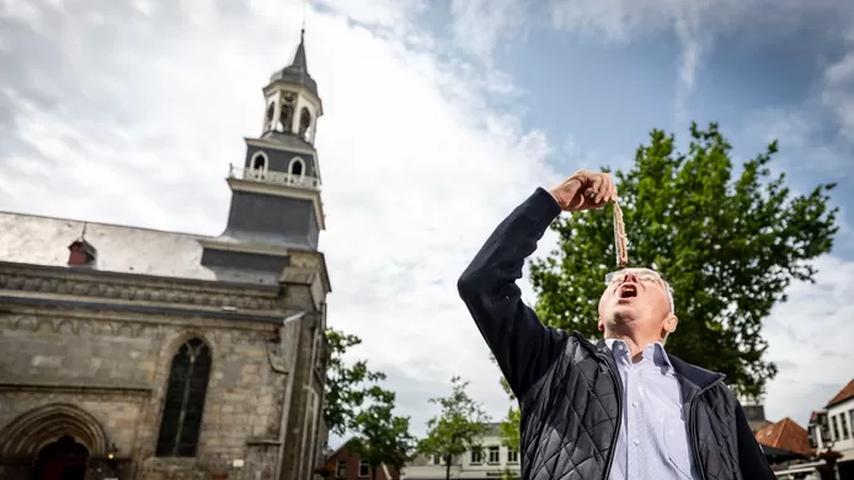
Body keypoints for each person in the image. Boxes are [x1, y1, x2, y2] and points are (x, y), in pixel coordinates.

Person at [457, 169, 775, 480]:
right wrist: (554, 201)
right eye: (615, 280)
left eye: (649, 279)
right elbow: (482, 284)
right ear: (599, 319)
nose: (629, 276)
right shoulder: (553, 363)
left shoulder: (713, 395)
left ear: (670, 322)